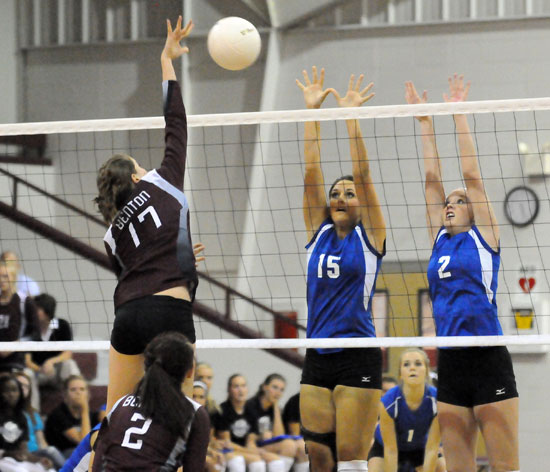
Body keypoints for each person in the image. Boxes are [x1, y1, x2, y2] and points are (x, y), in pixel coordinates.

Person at [405, 75, 519, 472]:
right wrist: (424, 123)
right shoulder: (439, 240)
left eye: (459, 202)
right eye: (448, 203)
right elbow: (431, 181)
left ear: (474, 210)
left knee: (505, 466)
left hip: (488, 357)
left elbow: (471, 176)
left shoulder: (485, 236)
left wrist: (457, 114)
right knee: (458, 467)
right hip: (451, 360)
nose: (451, 204)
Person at [94, 16, 202, 410]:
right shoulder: (163, 182)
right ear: (138, 177)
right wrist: (166, 61)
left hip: (129, 316)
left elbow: (135, 269)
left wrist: (184, 258)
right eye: (140, 166)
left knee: (115, 418)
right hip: (170, 312)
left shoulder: (111, 232)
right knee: (179, 420)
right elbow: (177, 124)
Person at [295, 66, 386, 472]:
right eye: (336, 193)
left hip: (358, 354)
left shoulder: (370, 238)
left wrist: (350, 117)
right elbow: (312, 172)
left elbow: (363, 176)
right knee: (318, 457)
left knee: (351, 459)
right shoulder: (318, 233)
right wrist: (313, 113)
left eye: (348, 193)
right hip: (317, 353)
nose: (340, 197)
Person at [91, 331, 210, 471]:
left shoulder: (121, 404)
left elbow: (97, 462)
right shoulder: (194, 413)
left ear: (146, 366)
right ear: (190, 371)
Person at [367, 349, 446, 472]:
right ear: (400, 374)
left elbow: (432, 448)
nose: (412, 368)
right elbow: (390, 450)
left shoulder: (437, 401)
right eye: (406, 364)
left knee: (441, 467)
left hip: (421, 448)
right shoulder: (388, 401)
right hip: (384, 448)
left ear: (426, 371)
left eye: (418, 363)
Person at [212, 374, 285, 472]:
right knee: (253, 462)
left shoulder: (251, 410)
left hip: (244, 450)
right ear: (229, 390)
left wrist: (255, 450)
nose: (241, 390)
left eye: (243, 386)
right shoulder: (223, 410)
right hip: (227, 450)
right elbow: (227, 443)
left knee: (277, 462)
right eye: (236, 386)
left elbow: (250, 441)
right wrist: (252, 452)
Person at [246, 374, 308, 471]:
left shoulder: (276, 410)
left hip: (268, 445)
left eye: (281, 390)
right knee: (288, 445)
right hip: (252, 446)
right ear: (264, 387)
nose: (278, 392)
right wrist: (260, 436)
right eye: (274, 387)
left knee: (302, 445)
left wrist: (275, 407)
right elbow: (246, 438)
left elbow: (279, 436)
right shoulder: (250, 406)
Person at [0, 373, 55, 472]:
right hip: (3, 459)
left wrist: (39, 460)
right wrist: (9, 454)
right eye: (6, 390)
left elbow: (24, 452)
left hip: (15, 460)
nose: (11, 394)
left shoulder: (21, 418)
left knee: (49, 470)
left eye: (14, 390)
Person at [25, 293, 80, 387]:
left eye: (37, 309)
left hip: (56, 371)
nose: (34, 312)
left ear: (47, 311)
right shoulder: (30, 328)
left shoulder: (62, 325)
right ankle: (31, 402)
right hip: (38, 373)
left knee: (69, 364)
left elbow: (67, 354)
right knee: (26, 374)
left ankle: (77, 398)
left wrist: (51, 362)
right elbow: (27, 360)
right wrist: (40, 369)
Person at [14, 371, 66, 469]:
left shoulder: (32, 413)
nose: (22, 388)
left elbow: (41, 441)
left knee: (51, 453)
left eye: (26, 386)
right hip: (18, 454)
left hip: (36, 453)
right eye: (19, 384)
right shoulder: (5, 413)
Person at [193, 380, 246, 472]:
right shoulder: (182, 415)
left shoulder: (206, 416)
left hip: (202, 450)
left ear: (206, 400)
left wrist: (214, 445)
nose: (197, 400)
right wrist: (210, 451)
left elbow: (207, 440)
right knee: (212, 463)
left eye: (201, 397)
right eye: (193, 396)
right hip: (186, 452)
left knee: (221, 460)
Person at [44, 375, 98, 458]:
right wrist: (84, 410)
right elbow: (83, 442)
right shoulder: (58, 415)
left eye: (82, 389)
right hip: (62, 455)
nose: (78, 393)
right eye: (73, 389)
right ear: (65, 394)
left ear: (88, 394)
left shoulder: (92, 415)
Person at [0, 261, 40, 372]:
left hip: (16, 360)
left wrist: (15, 345)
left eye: (5, 276)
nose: (2, 280)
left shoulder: (24, 301)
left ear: (13, 277)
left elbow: (35, 333)